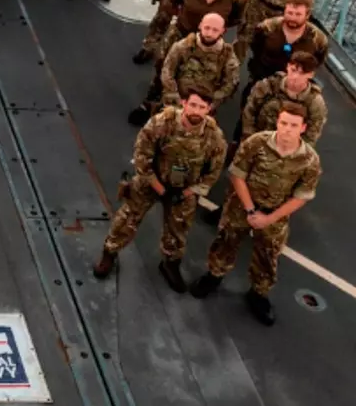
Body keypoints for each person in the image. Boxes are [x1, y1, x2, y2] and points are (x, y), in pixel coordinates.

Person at [190, 103, 320, 326]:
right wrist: (250, 209)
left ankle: (258, 294)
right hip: (242, 207)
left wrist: (269, 218)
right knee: (226, 242)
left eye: (293, 125)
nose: (287, 129)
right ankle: (214, 276)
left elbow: (301, 197)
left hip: (275, 215)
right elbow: (237, 175)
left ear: (303, 128)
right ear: (278, 122)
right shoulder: (257, 143)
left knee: (267, 257)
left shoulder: (309, 160)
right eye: (284, 123)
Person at [92, 86, 225, 293]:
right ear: (184, 103)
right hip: (152, 181)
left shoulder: (214, 137)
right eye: (193, 105)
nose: (196, 111)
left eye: (202, 107)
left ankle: (170, 264)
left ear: (209, 109)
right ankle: (109, 253)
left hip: (184, 189)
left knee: (178, 230)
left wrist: (185, 193)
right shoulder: (162, 123)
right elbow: (142, 158)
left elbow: (212, 174)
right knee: (127, 218)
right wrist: (160, 189)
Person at [140, 12, 239, 124]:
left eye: (215, 30)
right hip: (178, 96)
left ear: (223, 31)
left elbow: (230, 84)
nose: (209, 33)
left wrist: (211, 104)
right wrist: (174, 96)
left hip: (204, 103)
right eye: (207, 28)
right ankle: (154, 107)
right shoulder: (183, 46)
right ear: (200, 26)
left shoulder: (228, 56)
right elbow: (167, 71)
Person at [246, 0, 328, 93]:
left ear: (307, 15)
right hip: (263, 76)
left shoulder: (318, 38)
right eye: (290, 13)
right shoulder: (267, 27)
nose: (293, 18)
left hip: (293, 83)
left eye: (298, 14)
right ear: (284, 11)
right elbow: (256, 46)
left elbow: (318, 60)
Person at [241, 53, 327, 145]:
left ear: (311, 75)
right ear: (287, 66)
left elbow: (311, 135)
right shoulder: (269, 86)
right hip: (258, 139)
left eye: (302, 73)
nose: (295, 76)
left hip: (288, 149)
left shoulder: (314, 102)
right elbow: (249, 111)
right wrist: (250, 139)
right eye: (293, 70)